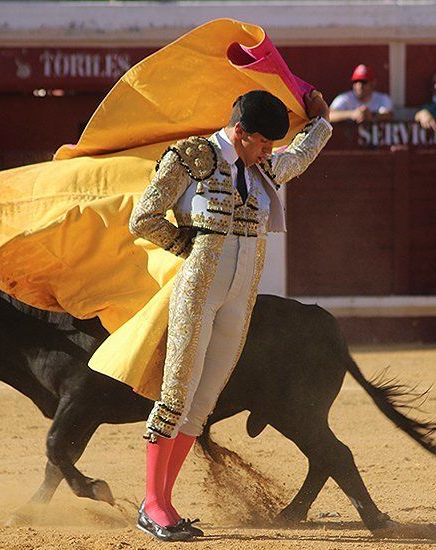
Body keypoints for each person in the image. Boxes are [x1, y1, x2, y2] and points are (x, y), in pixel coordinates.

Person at [129, 89, 332, 541]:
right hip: (197, 294)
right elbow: (143, 217)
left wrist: (322, 122)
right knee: (177, 393)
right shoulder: (192, 158)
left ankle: (161, 500)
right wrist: (189, 248)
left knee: (201, 404)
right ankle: (154, 504)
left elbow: (296, 159)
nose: (269, 153)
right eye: (262, 143)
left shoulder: (261, 165)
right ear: (240, 133)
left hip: (239, 301)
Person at [329, 64, 393, 124]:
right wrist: (352, 114)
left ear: (372, 83)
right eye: (356, 82)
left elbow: (388, 114)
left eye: (363, 82)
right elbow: (329, 115)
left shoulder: (382, 98)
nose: (359, 86)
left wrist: (371, 115)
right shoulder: (345, 98)